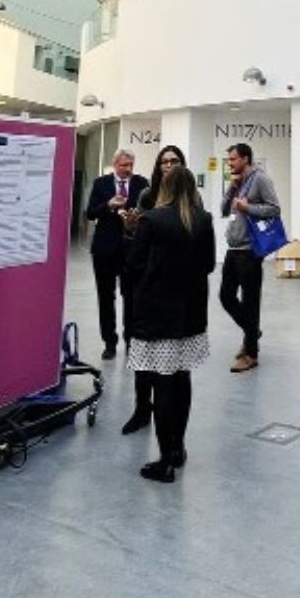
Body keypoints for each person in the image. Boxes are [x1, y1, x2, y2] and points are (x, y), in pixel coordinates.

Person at [126, 166, 215, 482]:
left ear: (165, 187)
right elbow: (207, 265)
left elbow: (134, 265)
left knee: (162, 384)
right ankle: (178, 448)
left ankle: (164, 461)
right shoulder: (203, 220)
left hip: (157, 314)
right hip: (190, 314)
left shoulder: (152, 219)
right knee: (181, 379)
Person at [119, 145, 188, 436]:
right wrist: (131, 229)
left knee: (173, 359)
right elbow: (138, 243)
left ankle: (166, 422)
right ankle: (141, 408)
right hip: (143, 284)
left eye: (174, 161)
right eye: (164, 162)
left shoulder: (189, 202)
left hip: (174, 287)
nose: (168, 166)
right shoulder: (147, 196)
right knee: (140, 347)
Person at [219, 143, 280, 373]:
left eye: (233, 159)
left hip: (250, 250)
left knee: (250, 301)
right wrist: (231, 190)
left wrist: (248, 207)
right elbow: (224, 210)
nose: (230, 163)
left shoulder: (260, 179)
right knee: (226, 296)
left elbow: (274, 209)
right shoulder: (238, 182)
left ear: (245, 159)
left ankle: (251, 354)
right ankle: (252, 331)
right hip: (233, 248)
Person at [84, 150, 148, 360]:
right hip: (104, 249)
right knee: (105, 297)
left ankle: (132, 342)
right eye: (124, 165)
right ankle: (109, 343)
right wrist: (108, 206)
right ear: (114, 165)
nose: (128, 169)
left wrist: (136, 217)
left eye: (131, 164)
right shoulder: (101, 183)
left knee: (131, 298)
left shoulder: (142, 183)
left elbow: (149, 212)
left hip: (132, 250)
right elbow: (90, 212)